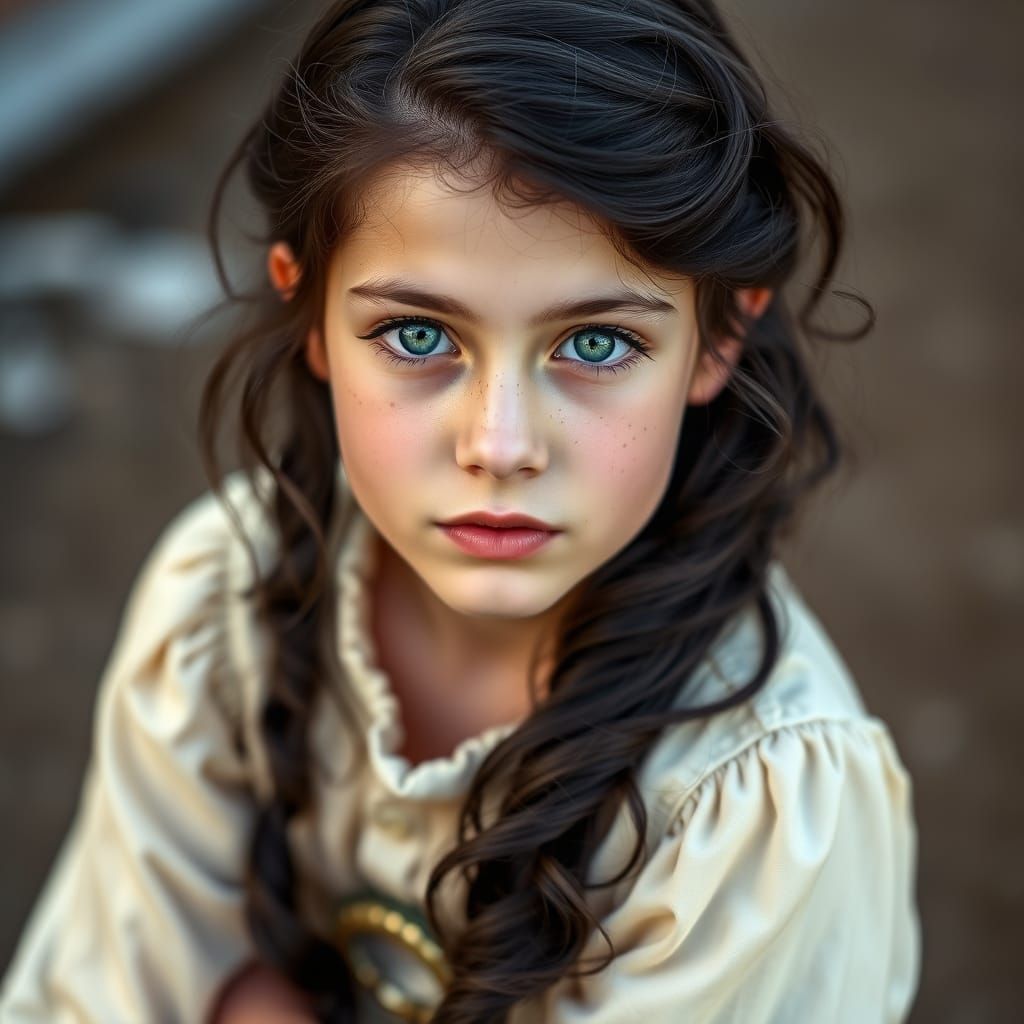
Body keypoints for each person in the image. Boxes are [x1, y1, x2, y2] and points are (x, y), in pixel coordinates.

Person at [0, 0, 923, 1021]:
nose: (500, 445)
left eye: (597, 344)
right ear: (308, 314)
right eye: (415, 335)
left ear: (716, 340)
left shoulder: (755, 805)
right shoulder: (221, 596)